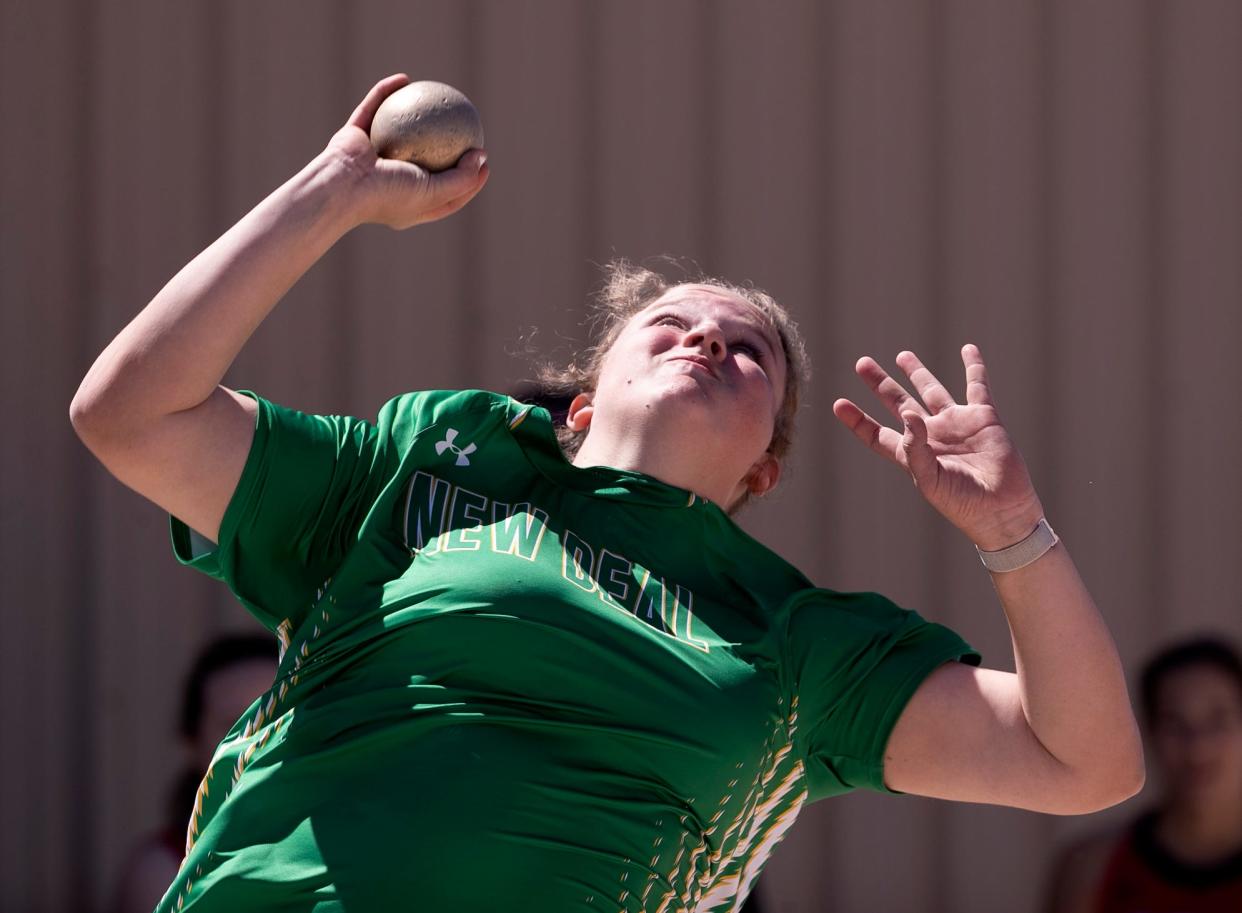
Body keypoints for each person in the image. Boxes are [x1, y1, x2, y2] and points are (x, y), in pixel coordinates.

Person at [71, 74, 1144, 913]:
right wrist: (332, 195)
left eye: (751, 351)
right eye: (670, 325)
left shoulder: (796, 642)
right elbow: (130, 414)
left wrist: (1012, 532)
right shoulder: (426, 465)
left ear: (762, 469)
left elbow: (1084, 762)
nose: (706, 339)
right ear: (580, 407)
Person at [1045, 636, 1242, 913]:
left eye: (1218, 719)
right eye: (1175, 723)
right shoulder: (1092, 868)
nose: (1198, 747)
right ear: (1147, 733)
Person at [110, 635, 278, 913]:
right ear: (192, 742)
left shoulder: (349, 842)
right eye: (236, 726)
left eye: (279, 718)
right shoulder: (164, 873)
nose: (260, 741)